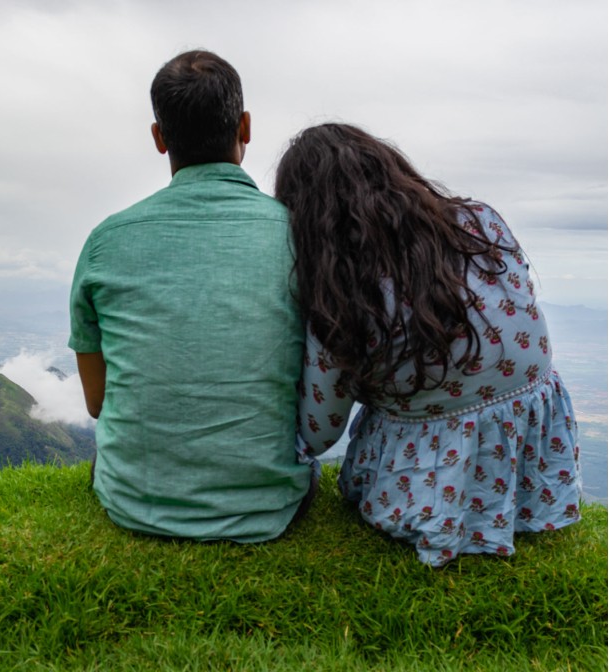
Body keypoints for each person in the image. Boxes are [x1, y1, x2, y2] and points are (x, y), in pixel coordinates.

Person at [275, 123, 582, 566]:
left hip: (431, 460)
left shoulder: (341, 291)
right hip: (532, 429)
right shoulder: (480, 220)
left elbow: (320, 431)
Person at [69, 50, 313, 543]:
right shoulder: (300, 236)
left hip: (131, 502)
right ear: (245, 128)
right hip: (269, 505)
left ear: (159, 138)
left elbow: (97, 403)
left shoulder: (106, 240)